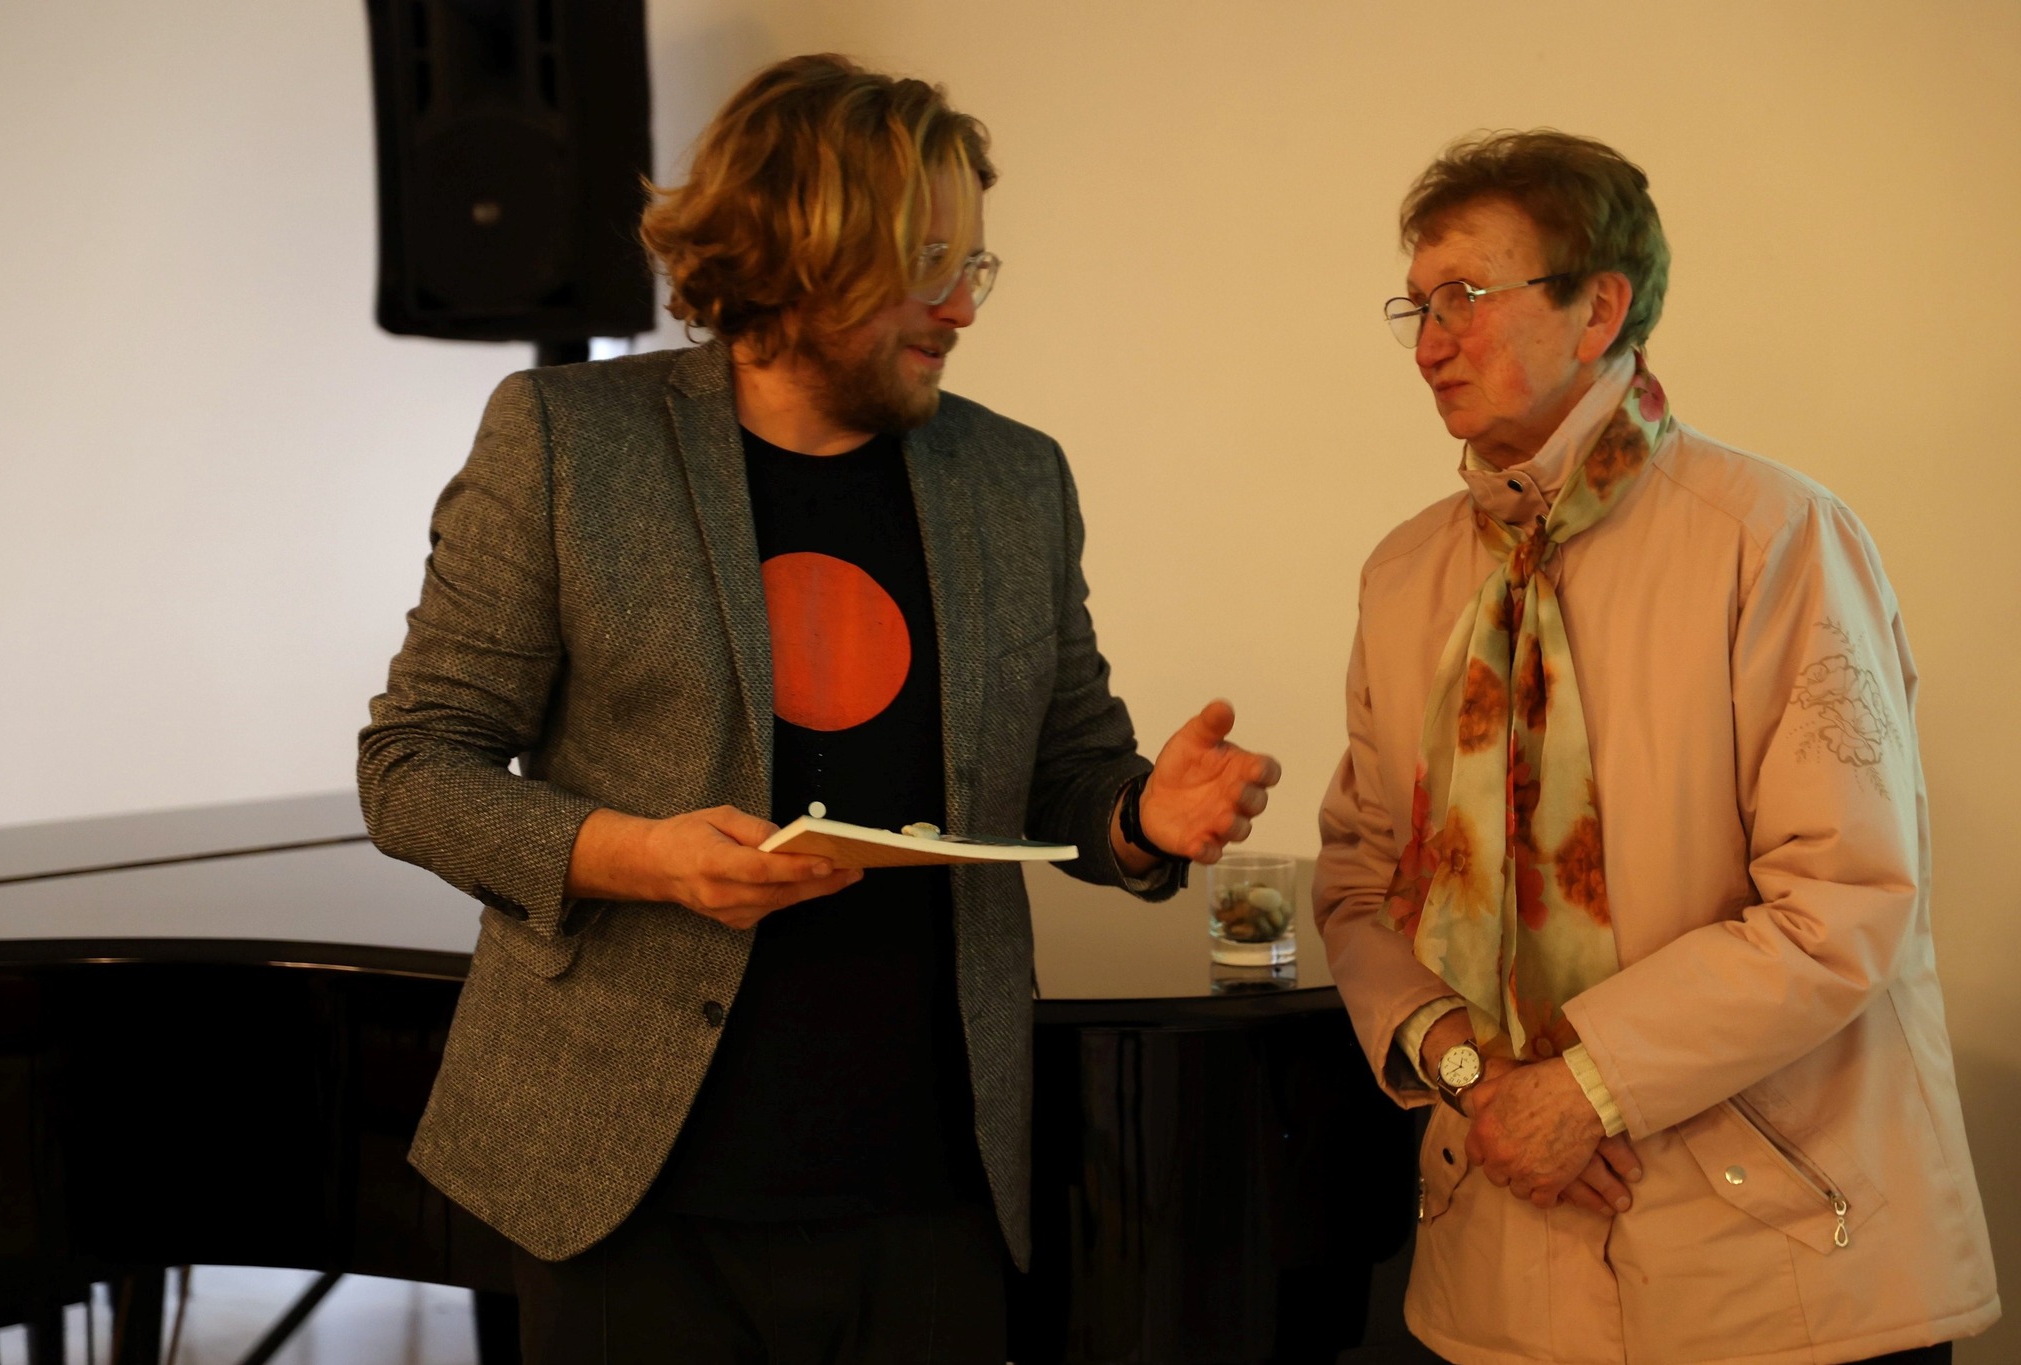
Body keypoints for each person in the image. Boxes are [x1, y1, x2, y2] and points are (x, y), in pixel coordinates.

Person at [358, 54, 1280, 1364]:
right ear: (799, 253)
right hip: (630, 1190)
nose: (962, 308)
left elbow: (1065, 775)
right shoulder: (569, 441)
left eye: (974, 265)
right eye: (927, 266)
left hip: (931, 1185)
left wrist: (1143, 816)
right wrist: (645, 858)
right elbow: (412, 767)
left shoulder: (1015, 478)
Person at [1314, 130, 1996, 1365]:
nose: (1426, 344)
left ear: (1597, 309)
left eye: (1463, 296)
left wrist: (1584, 1089)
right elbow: (1363, 887)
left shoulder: (1773, 538)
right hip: (1496, 1271)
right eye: (1414, 306)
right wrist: (1471, 1077)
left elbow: (1841, 900)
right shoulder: (1401, 576)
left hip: (1779, 1270)